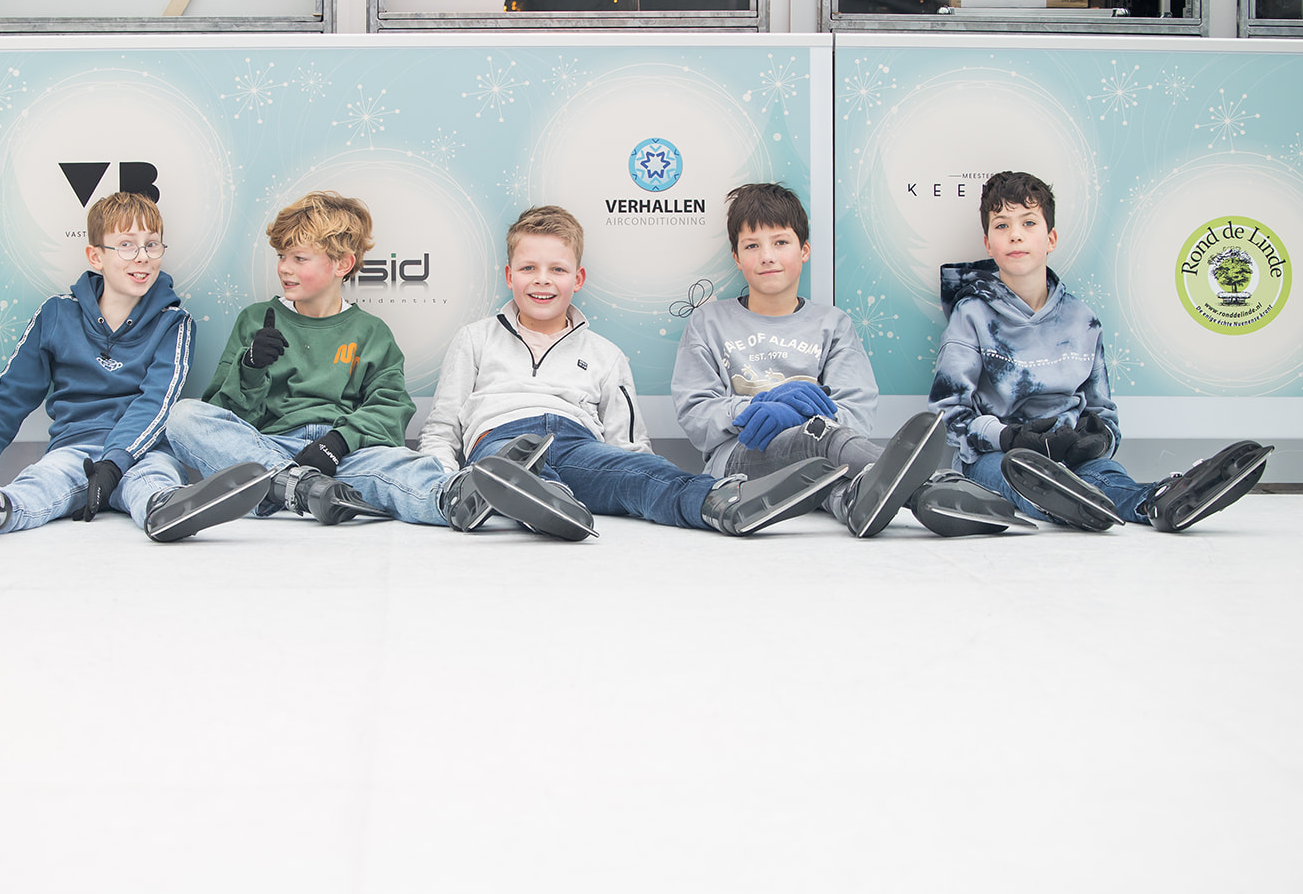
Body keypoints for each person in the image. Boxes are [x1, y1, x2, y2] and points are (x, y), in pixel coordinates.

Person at [164, 191, 590, 539]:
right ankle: (297, 486)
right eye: (282, 256)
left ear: (342, 265)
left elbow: (390, 409)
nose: (284, 269)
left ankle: (458, 497)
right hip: (270, 446)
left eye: (299, 258)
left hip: (344, 458)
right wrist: (252, 366)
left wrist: (338, 442)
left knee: (398, 466)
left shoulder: (370, 333)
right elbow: (224, 411)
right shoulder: (257, 320)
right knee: (183, 417)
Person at [419, 203, 856, 536]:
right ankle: (542, 498)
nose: (542, 280)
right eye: (529, 268)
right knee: (512, 465)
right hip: (501, 441)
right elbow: (442, 429)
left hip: (577, 442)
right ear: (509, 275)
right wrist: (446, 484)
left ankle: (723, 503)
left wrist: (645, 477)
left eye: (557, 269)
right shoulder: (475, 339)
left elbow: (627, 444)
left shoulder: (605, 353)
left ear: (579, 278)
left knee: (645, 478)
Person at [0, 191, 266, 543]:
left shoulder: (174, 322)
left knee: (154, 480)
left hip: (142, 450)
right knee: (43, 481)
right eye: (126, 245)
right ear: (96, 256)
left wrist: (115, 463)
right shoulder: (56, 314)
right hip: (74, 448)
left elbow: (157, 402)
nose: (142, 258)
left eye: (152, 245)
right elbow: (9, 398)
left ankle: (167, 511)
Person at [670, 183, 1025, 537]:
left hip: (820, 458)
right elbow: (695, 412)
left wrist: (798, 413)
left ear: (804, 250)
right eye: (752, 246)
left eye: (780, 242)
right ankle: (932, 486)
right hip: (739, 458)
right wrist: (754, 408)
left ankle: (856, 503)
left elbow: (855, 413)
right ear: (736, 257)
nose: (767, 256)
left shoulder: (832, 324)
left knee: (832, 471)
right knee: (819, 437)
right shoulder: (708, 322)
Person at [930, 171, 1273, 532]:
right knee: (1016, 476)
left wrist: (1097, 440)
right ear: (988, 243)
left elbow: (1103, 412)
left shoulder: (1083, 319)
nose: (1015, 234)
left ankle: (1160, 501)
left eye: (1028, 222)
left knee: (1109, 477)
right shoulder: (972, 314)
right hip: (996, 455)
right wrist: (1006, 437)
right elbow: (947, 414)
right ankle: (1067, 501)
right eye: (1002, 226)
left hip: (1067, 452)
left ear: (1051, 238)